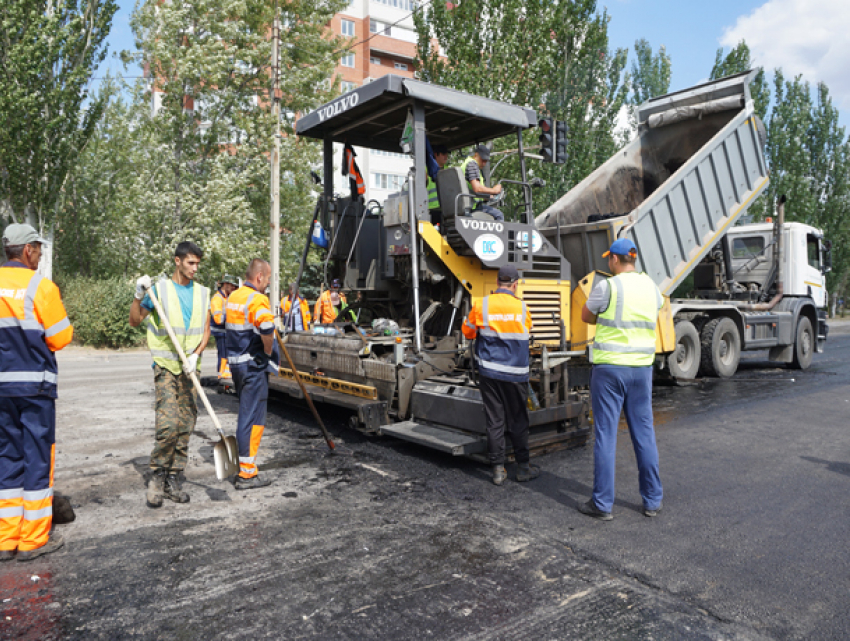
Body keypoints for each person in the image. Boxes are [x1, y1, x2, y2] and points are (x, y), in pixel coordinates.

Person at [0, 223, 74, 561]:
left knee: (7, 457)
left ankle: (5, 539)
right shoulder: (40, 287)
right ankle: (32, 540)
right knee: (37, 458)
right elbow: (61, 337)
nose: (41, 254)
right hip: (34, 389)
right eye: (38, 249)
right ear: (26, 250)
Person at [578, 238, 664, 521]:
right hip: (641, 370)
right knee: (644, 432)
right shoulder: (652, 287)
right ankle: (652, 500)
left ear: (615, 260)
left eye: (609, 259)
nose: (607, 263)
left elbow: (586, 315)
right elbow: (657, 309)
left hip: (610, 370)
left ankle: (602, 504)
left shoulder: (608, 286)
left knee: (606, 434)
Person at [129, 242, 211, 508]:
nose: (195, 268)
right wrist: (139, 294)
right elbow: (134, 320)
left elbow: (206, 329)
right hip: (166, 364)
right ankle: (158, 476)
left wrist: (197, 354)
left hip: (190, 367)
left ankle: (175, 476)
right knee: (168, 425)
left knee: (186, 424)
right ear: (177, 261)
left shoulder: (202, 293)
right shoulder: (159, 291)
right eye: (190, 263)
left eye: (197, 263)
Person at [462, 264, 537, 485]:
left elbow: (468, 331)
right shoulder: (523, 308)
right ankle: (523, 468)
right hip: (515, 374)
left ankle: (497, 470)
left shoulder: (481, 305)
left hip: (490, 372)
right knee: (518, 420)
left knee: (495, 420)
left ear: (497, 283)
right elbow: (527, 331)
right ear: (515, 285)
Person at [225, 259, 280, 489]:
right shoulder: (257, 298)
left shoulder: (234, 297)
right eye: (267, 279)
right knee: (253, 418)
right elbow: (267, 328)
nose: (267, 284)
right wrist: (268, 352)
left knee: (247, 415)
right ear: (259, 277)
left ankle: (247, 467)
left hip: (238, 365)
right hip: (253, 366)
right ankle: (247, 474)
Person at [460, 144, 504, 221]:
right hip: (472, 207)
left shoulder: (468, 163)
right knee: (499, 215)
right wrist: (494, 191)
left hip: (469, 204)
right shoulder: (472, 164)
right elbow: (477, 189)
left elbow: (472, 190)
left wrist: (488, 197)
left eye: (486, 161)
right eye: (482, 160)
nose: (484, 163)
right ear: (476, 155)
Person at [210, 274, 239, 382]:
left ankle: (225, 374)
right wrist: (231, 315)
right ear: (225, 284)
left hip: (226, 332)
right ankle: (221, 375)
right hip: (220, 332)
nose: (233, 288)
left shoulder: (226, 298)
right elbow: (218, 319)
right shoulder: (217, 299)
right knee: (223, 355)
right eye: (232, 286)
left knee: (226, 355)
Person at [426, 144, 450, 226]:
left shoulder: (448, 170)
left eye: (446, 154)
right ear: (436, 154)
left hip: (444, 209)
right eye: (443, 154)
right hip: (431, 209)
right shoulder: (427, 170)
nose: (446, 156)